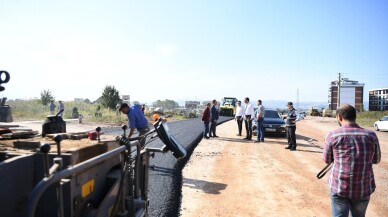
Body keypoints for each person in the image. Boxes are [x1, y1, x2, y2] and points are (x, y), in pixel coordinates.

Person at [323, 104, 381, 217]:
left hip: (339, 187)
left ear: (339, 117)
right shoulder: (371, 135)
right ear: (355, 116)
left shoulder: (332, 135)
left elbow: (327, 160)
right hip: (363, 188)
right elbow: (377, 160)